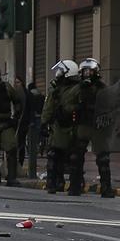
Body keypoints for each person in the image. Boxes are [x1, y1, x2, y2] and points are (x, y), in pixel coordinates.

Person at [62, 58, 113, 197]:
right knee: (76, 157)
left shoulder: (102, 88)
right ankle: (75, 186)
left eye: (90, 71)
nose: (87, 74)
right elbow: (66, 104)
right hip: (83, 124)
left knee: (103, 158)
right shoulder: (78, 88)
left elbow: (111, 105)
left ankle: (106, 188)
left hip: (98, 126)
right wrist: (78, 108)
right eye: (85, 71)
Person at [41, 60, 79, 194]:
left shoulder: (58, 90)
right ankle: (71, 185)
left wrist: (44, 123)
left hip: (64, 127)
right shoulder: (76, 89)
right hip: (71, 127)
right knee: (71, 157)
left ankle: (55, 183)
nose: (58, 74)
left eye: (61, 71)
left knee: (55, 156)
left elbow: (48, 109)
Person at [23, 79, 44, 178]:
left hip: (32, 118)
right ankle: (40, 143)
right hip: (41, 116)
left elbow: (28, 108)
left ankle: (35, 147)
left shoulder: (29, 95)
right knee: (40, 133)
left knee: (31, 137)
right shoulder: (41, 95)